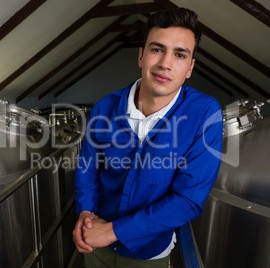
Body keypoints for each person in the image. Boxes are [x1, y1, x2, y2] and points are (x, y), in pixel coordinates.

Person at [72, 7, 223, 267]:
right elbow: (88, 170)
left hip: (149, 253)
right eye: (157, 49)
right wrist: (85, 213)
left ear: (190, 67)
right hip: (94, 246)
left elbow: (188, 199)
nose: (165, 63)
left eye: (179, 54)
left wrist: (112, 231)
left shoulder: (204, 113)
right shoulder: (104, 108)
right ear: (141, 56)